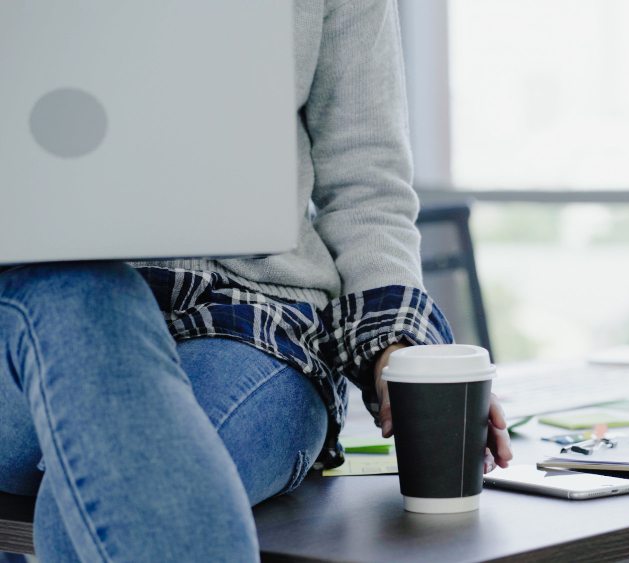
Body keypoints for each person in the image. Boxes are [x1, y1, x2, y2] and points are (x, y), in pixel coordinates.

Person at [0, 1, 513, 560]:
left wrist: (397, 346)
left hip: (253, 326)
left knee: (123, 478)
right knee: (86, 307)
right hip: (38, 319)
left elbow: (366, 183)